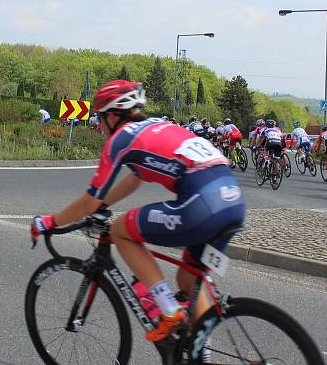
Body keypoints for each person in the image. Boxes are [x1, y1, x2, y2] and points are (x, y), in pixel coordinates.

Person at [29, 80, 245, 342]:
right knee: (190, 280)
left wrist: (48, 222)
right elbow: (135, 178)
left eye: (99, 118)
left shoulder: (121, 139)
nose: (100, 126)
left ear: (111, 115)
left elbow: (88, 202)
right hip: (233, 202)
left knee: (121, 231)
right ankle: (203, 356)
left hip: (201, 205)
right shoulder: (158, 125)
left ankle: (167, 310)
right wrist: (104, 205)